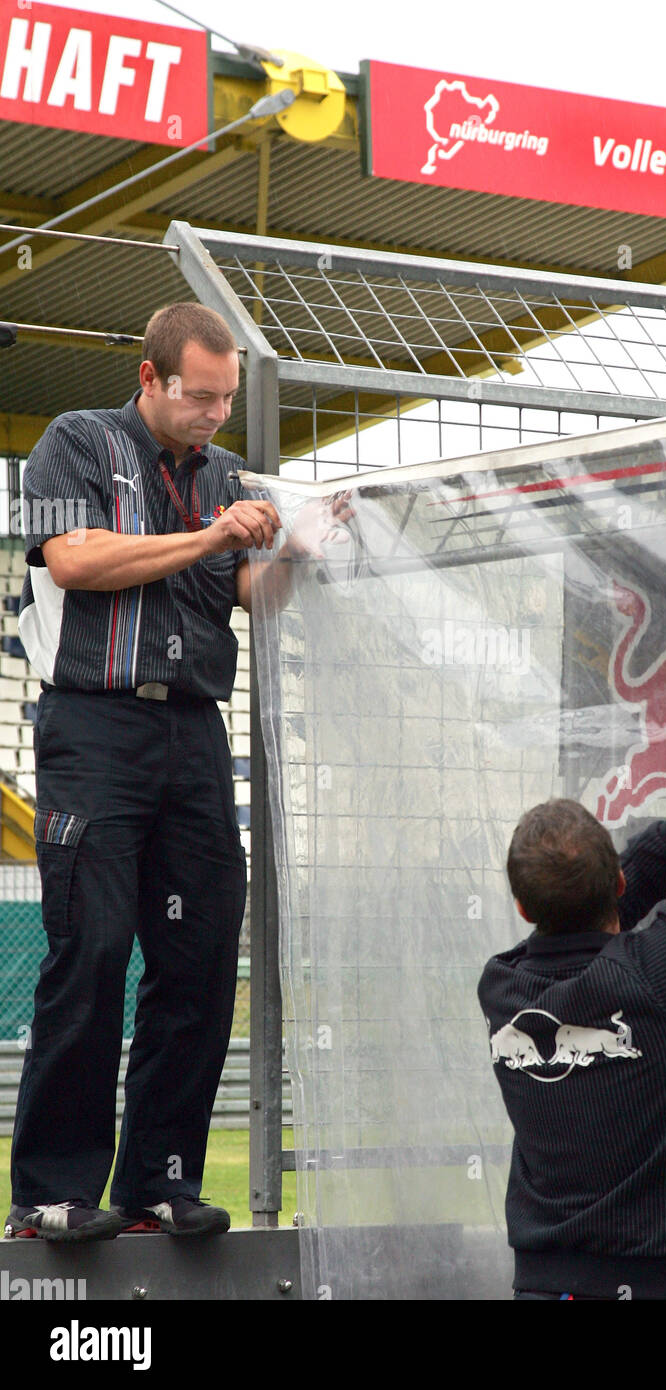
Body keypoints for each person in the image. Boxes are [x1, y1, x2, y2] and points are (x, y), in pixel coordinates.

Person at [5, 302, 287, 1242]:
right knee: (91, 948)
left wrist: (300, 547)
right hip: (94, 726)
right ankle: (53, 1191)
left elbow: (246, 592)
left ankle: (161, 1181)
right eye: (198, 397)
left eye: (226, 399)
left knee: (201, 956)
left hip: (195, 733)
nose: (214, 415)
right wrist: (213, 536)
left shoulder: (227, 478)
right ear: (152, 377)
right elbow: (75, 560)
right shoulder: (76, 442)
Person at [478, 601, 666, 1299]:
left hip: (545, 1287)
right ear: (616, 883)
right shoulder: (650, 979)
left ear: (523, 909)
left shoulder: (500, 987)